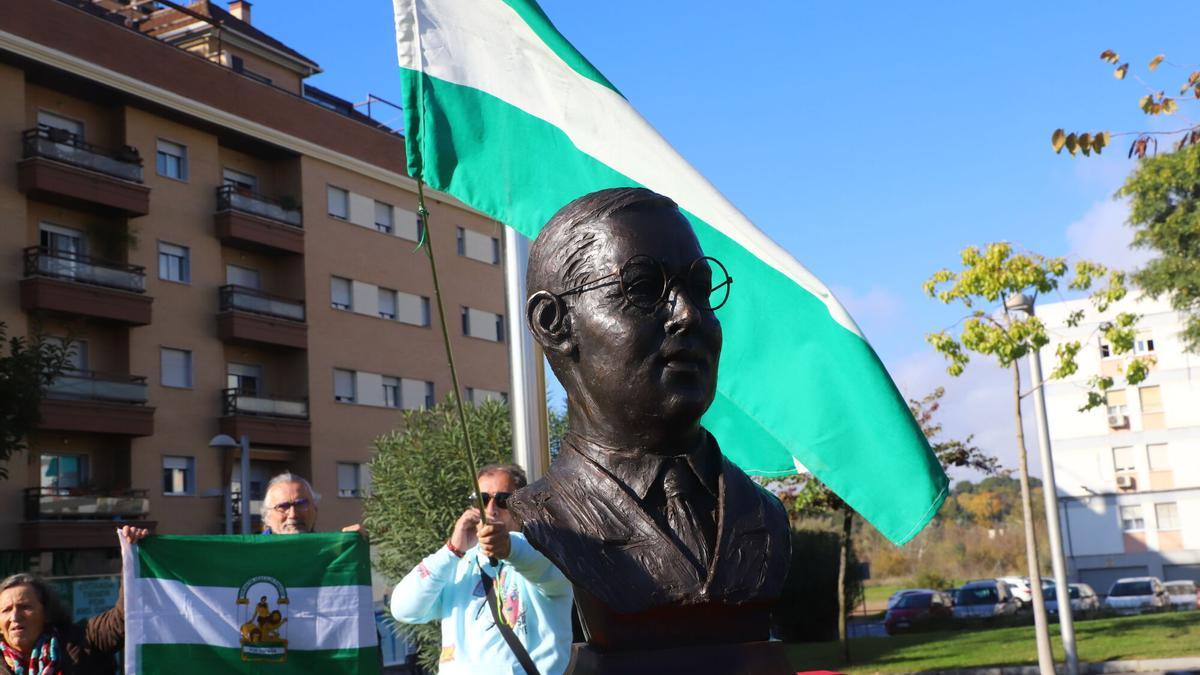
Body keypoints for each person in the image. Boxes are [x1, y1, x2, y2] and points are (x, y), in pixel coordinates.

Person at [508, 187, 791, 652]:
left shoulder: (764, 514)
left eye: (700, 289)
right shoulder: (550, 519)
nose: (689, 315)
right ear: (553, 324)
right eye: (643, 288)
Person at [390, 464, 573, 675]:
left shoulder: (541, 553)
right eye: (482, 499)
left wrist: (508, 547)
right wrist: (451, 550)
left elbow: (542, 567)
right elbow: (404, 609)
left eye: (503, 500)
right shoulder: (456, 564)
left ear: (521, 507)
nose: (491, 509)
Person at [0, 526, 148, 675]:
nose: (15, 616)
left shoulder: (84, 640)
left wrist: (133, 555)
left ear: (46, 613)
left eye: (25, 607)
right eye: (6, 610)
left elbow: (125, 618)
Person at [260, 472, 365, 537]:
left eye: (301, 504)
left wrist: (352, 543)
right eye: (283, 506)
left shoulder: (331, 553)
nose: (293, 514)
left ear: (315, 511)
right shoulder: (252, 556)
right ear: (267, 517)